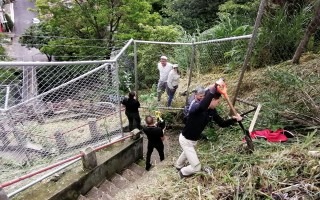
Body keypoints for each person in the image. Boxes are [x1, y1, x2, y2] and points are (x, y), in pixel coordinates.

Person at [175, 79, 243, 178]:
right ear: (211, 100)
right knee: (196, 167)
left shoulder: (212, 111)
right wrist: (213, 89)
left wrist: (234, 120)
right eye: (217, 101)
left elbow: (222, 123)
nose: (218, 104)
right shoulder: (196, 107)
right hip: (186, 140)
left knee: (188, 151)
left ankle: (178, 165)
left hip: (193, 140)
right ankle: (182, 172)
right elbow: (202, 107)